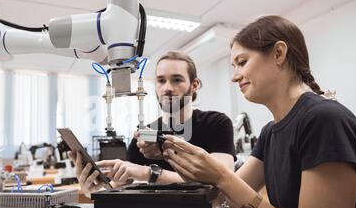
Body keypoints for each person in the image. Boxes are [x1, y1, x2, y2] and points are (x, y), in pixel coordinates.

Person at [162, 15, 356, 208]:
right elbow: (227, 200)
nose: (234, 77)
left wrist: (221, 176)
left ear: (279, 53)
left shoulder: (323, 120)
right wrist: (189, 169)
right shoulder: (270, 132)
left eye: (242, 62)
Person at [70, 51, 236, 198]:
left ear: (194, 85)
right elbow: (119, 186)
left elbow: (223, 178)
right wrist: (95, 190)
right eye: (161, 81)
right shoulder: (144, 135)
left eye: (177, 80)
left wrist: (149, 173)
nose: (167, 88)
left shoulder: (217, 123)